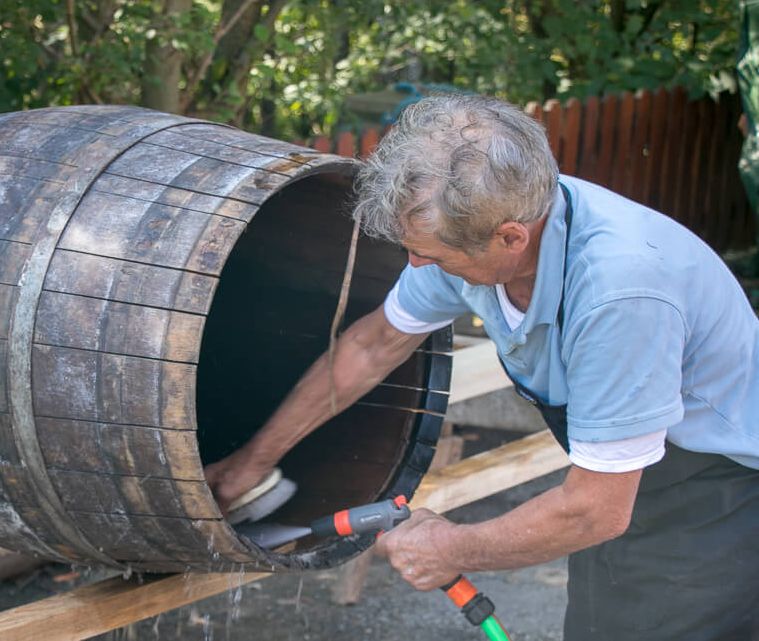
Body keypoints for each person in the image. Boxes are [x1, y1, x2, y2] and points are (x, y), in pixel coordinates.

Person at [205, 93, 759, 640]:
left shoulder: (619, 295)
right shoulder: (471, 228)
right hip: (625, 476)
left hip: (716, 494)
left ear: (510, 237)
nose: (417, 266)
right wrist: (251, 463)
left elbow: (594, 511)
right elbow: (373, 345)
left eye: (433, 256)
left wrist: (451, 546)